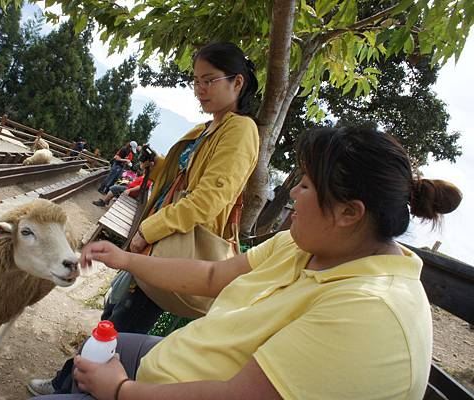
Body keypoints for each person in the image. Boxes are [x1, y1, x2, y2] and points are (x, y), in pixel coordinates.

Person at [28, 125, 462, 399]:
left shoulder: (368, 312)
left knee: (101, 363)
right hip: (179, 363)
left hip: (172, 386)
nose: (292, 195)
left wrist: (121, 390)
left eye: (306, 186)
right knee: (106, 345)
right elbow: (213, 274)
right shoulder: (310, 246)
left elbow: (239, 394)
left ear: (350, 212)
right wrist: (126, 259)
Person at [100, 41, 260, 334]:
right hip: (163, 238)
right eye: (196, 81)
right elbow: (184, 178)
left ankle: (71, 380)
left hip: (175, 245)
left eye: (209, 80)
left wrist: (149, 230)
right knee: (114, 313)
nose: (200, 89)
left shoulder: (240, 130)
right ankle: (68, 379)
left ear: (238, 82)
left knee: (121, 328)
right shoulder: (208, 127)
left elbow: (208, 200)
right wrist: (157, 164)